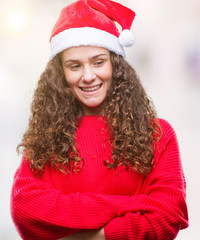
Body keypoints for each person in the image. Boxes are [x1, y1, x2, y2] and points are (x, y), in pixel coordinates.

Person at [10, 0, 189, 239]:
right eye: (75, 66)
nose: (88, 76)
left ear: (116, 66)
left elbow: (166, 217)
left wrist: (87, 237)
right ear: (61, 74)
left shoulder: (158, 135)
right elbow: (25, 209)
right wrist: (131, 204)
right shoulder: (45, 137)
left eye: (98, 62)